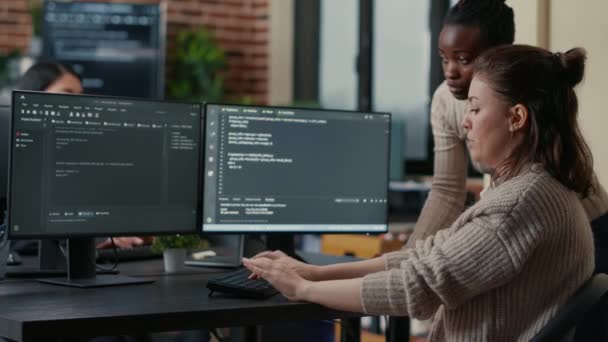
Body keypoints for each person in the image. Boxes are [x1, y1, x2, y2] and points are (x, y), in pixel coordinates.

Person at [243, 45, 596, 341]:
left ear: (516, 117)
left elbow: (418, 286)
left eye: (474, 108)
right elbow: (427, 256)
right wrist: (315, 274)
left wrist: (303, 290)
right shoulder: (531, 188)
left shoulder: (519, 204)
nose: (465, 122)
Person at [406, 0, 608, 275]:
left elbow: (532, 189)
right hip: (529, 227)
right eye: (444, 58)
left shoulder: (529, 91)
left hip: (586, 225)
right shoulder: (444, 100)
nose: (450, 71)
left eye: (463, 59)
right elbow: (446, 191)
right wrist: (411, 256)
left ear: (498, 55)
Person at [13, 61, 151, 251]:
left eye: (80, 97)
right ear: (32, 98)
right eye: (67, 95)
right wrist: (95, 241)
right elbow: (17, 239)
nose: (77, 104)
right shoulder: (19, 158)